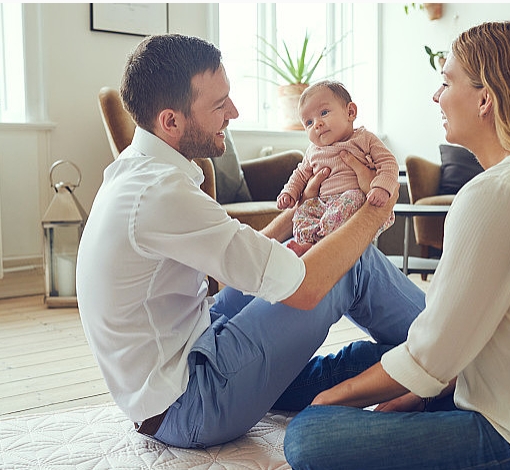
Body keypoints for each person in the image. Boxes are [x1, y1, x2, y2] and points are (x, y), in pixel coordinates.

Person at [283, 20, 510, 470]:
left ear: (485, 99)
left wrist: (329, 401)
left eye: (445, 81)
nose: (436, 96)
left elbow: (432, 353)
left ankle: (290, 394)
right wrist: (416, 388)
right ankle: (273, 387)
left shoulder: (501, 194)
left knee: (308, 436)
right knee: (370, 357)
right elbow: (461, 338)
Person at [75, 34, 426, 449]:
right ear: (171, 121)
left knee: (327, 259)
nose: (234, 112)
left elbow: (242, 250)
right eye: (219, 104)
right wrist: (375, 210)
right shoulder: (160, 193)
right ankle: (454, 353)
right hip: (192, 402)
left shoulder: (135, 172)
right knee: (350, 262)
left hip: (186, 356)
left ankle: (415, 365)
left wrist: (302, 209)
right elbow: (307, 286)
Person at [277, 80, 399, 256]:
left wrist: (381, 187)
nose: (317, 124)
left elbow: (388, 162)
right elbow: (300, 175)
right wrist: (289, 192)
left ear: (350, 112)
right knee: (301, 212)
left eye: (324, 113)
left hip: (352, 200)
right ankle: (309, 244)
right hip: (322, 203)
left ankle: (323, 244)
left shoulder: (364, 139)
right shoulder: (313, 151)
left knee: (352, 198)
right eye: (309, 122)